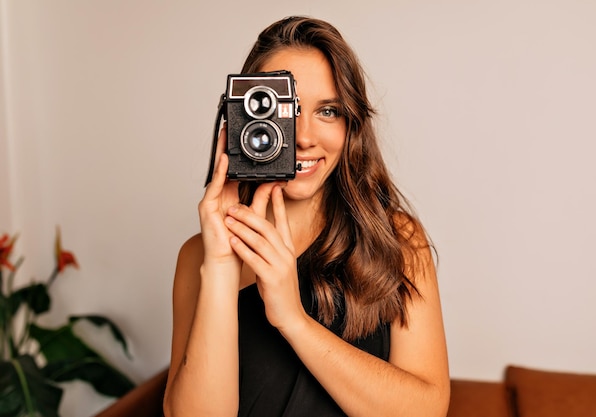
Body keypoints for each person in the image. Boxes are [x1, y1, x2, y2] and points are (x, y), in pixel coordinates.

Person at [163, 16, 449, 417]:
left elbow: (426, 411)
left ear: (351, 125)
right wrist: (223, 267)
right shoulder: (199, 256)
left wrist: (293, 320)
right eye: (283, 109)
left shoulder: (396, 239)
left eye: (328, 111)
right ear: (243, 115)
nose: (303, 136)